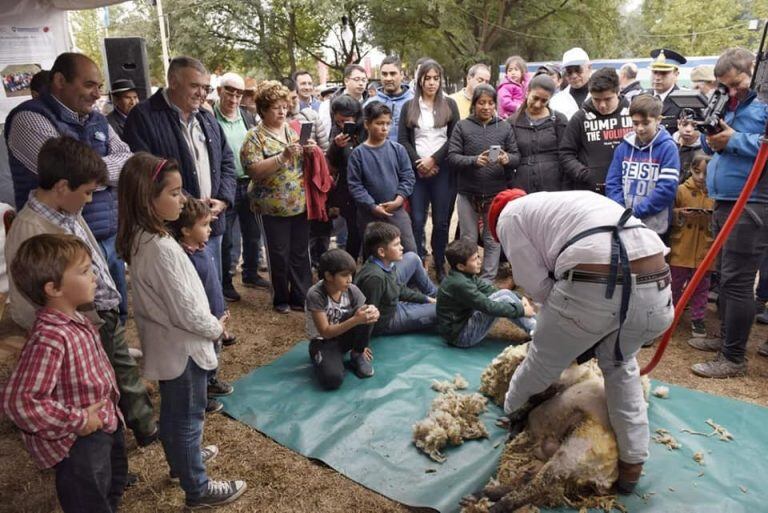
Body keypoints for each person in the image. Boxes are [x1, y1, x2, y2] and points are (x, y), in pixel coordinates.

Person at [488, 188, 673, 495]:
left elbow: (536, 284)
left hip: (594, 284)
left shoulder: (509, 215)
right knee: (620, 366)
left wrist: (559, 335)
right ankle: (632, 466)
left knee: (540, 362)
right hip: (657, 287)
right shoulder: (563, 203)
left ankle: (511, 413)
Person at [4, 137, 156, 447]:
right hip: (78, 325)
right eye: (87, 192)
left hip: (96, 314)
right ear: (62, 186)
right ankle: (141, 431)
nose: (89, 200)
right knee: (112, 380)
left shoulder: (66, 212)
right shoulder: (29, 229)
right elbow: (24, 302)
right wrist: (66, 327)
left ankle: (130, 430)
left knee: (115, 374)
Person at [115, 153, 247, 508]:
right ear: (148, 198)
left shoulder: (146, 237)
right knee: (189, 418)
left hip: (169, 346)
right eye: (174, 193)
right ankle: (197, 486)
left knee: (175, 413)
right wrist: (214, 327)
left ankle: (183, 463)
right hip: (183, 348)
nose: (182, 200)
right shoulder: (159, 248)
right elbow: (186, 310)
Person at [1, 234, 126, 513]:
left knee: (110, 485)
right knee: (88, 499)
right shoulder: (50, 338)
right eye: (84, 271)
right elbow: (19, 402)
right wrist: (79, 419)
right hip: (77, 444)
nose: (94, 275)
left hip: (103, 423)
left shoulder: (76, 319)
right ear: (54, 289)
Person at [5, 52, 131, 326]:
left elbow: (127, 163)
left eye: (99, 86)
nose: (97, 94)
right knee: (77, 319)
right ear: (60, 80)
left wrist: (91, 172)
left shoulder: (97, 119)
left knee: (110, 309)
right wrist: (99, 171)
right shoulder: (28, 118)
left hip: (104, 231)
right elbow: (70, 173)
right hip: (60, 239)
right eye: (89, 85)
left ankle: (109, 351)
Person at [688, 48, 768, 377]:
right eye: (725, 86)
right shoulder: (730, 103)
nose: (731, 92)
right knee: (725, 276)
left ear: (754, 73)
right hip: (725, 199)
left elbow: (760, 144)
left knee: (738, 281)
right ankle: (725, 341)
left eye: (736, 84)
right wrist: (709, 138)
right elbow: (712, 147)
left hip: (751, 202)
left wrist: (733, 139)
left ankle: (733, 358)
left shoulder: (763, 104)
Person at [123, 56, 236, 278]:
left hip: (211, 223)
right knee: (182, 295)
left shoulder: (207, 117)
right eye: (194, 86)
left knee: (212, 290)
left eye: (206, 87)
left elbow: (227, 161)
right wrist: (190, 206)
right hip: (172, 229)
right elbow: (144, 173)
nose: (202, 94)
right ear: (173, 82)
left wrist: (223, 199)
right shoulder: (143, 117)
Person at [240, 80, 314, 314]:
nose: (282, 111)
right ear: (262, 110)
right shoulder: (254, 137)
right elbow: (252, 170)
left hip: (299, 203)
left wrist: (308, 150)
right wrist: (281, 157)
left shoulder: (290, 129)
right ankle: (280, 296)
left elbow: (299, 162)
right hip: (271, 206)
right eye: (276, 107)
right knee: (278, 254)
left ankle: (300, 296)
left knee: (300, 252)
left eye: (284, 106)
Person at [446, 84, 520, 281]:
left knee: (492, 238)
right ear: (474, 104)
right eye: (481, 103)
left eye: (490, 103)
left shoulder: (504, 126)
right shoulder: (462, 126)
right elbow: (452, 157)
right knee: (468, 238)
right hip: (467, 193)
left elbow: (516, 156)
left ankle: (487, 278)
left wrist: (507, 159)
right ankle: (468, 277)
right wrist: (473, 161)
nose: (486, 107)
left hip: (496, 193)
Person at [170, 198, 235, 414]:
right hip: (202, 322)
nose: (210, 229)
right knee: (202, 358)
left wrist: (222, 307)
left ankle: (211, 380)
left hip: (215, 317)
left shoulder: (202, 249)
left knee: (214, 353)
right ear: (186, 230)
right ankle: (201, 394)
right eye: (204, 225)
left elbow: (213, 283)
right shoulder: (184, 259)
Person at [398, 59, 461, 281]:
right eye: (428, 78)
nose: (432, 83)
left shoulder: (449, 105)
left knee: (442, 221)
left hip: (443, 171)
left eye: (436, 78)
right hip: (417, 171)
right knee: (416, 220)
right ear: (420, 80)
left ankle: (439, 262)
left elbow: (455, 138)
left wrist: (434, 160)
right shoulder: (409, 106)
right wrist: (420, 163)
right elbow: (403, 140)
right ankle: (418, 261)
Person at [213, 72, 269, 301]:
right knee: (226, 237)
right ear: (219, 91)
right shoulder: (209, 118)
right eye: (230, 92)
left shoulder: (247, 117)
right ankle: (225, 281)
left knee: (253, 232)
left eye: (239, 93)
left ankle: (250, 273)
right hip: (225, 185)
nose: (234, 98)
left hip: (249, 182)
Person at [437, 238, 536, 347]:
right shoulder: (460, 284)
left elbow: (490, 290)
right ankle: (537, 331)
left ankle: (537, 327)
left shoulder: (463, 275)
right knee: (504, 299)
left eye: (478, 256)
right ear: (461, 266)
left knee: (504, 293)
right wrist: (522, 310)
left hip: (464, 322)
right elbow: (488, 307)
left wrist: (520, 299)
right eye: (474, 259)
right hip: (461, 336)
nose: (480, 262)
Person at [347, 102, 418, 253]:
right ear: (367, 124)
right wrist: (372, 206)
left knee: (409, 251)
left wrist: (399, 199)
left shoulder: (398, 149)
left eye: (388, 123)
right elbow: (355, 186)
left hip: (396, 210)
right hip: (369, 215)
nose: (384, 128)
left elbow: (408, 177)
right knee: (374, 255)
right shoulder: (358, 154)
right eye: (379, 123)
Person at [605, 94, 680, 236]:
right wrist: (622, 210)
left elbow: (667, 188)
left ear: (658, 120)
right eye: (635, 123)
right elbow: (612, 182)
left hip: (655, 226)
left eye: (645, 123)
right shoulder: (623, 148)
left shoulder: (668, 148)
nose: (639, 128)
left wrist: (637, 212)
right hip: (624, 222)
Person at [306, 249, 379, 389]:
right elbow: (325, 332)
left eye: (351, 274)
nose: (350, 279)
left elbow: (364, 314)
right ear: (328, 276)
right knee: (332, 379)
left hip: (343, 336)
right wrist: (356, 320)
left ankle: (357, 354)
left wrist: (374, 313)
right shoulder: (316, 294)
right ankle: (323, 357)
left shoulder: (352, 289)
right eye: (344, 275)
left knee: (366, 311)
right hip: (322, 342)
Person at [354, 222, 438, 335]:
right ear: (381, 252)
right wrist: (360, 347)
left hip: (390, 300)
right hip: (387, 320)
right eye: (396, 244)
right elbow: (368, 315)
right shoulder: (375, 279)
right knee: (443, 309)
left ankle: (435, 295)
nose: (402, 247)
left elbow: (398, 288)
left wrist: (427, 299)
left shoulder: (385, 263)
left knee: (412, 258)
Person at [559, 67, 633, 193]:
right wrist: (584, 174)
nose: (602, 105)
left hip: (627, 188)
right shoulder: (580, 118)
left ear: (618, 92)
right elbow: (566, 153)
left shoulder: (632, 114)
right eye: (596, 100)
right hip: (591, 191)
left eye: (608, 99)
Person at [669, 153, 714, 339]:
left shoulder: (715, 192)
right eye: (697, 172)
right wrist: (680, 213)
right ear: (690, 170)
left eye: (706, 174)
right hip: (682, 246)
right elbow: (668, 214)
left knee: (702, 286)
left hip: (705, 247)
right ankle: (671, 314)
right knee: (675, 284)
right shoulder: (681, 190)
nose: (701, 178)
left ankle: (698, 318)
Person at [510, 74, 568, 192]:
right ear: (527, 92)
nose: (537, 104)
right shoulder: (512, 122)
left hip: (553, 188)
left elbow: (566, 155)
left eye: (544, 101)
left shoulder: (559, 120)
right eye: (535, 98)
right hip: (522, 188)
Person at [326, 95, 366, 261]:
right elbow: (331, 162)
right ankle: (350, 267)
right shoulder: (336, 131)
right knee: (353, 231)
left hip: (367, 186)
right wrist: (336, 146)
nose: (343, 125)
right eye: (339, 121)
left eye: (347, 121)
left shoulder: (366, 129)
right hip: (347, 189)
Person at [364, 55, 413, 141]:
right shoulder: (370, 104)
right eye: (384, 74)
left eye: (393, 73)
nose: (388, 78)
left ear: (401, 75)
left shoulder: (414, 102)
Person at [319, 64, 368, 141]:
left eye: (364, 80)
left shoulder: (370, 102)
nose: (361, 83)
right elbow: (325, 133)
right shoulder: (329, 104)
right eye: (357, 79)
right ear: (346, 81)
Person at [649, 48, 687, 135]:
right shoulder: (641, 98)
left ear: (676, 74)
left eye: (664, 73)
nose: (657, 77)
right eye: (655, 72)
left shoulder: (683, 103)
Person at [549, 47, 592, 120]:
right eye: (569, 71)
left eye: (578, 69)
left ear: (589, 68)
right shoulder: (556, 101)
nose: (574, 76)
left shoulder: (603, 96)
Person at [675, 115, 702, 182]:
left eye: (694, 125)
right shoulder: (667, 145)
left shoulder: (705, 151)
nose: (688, 129)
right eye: (685, 124)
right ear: (678, 123)